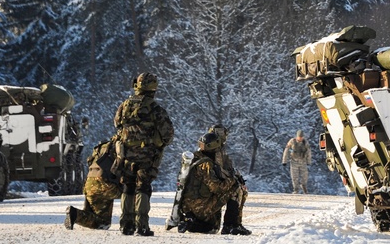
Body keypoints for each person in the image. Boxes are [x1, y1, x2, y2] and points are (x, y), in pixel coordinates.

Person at [113, 71, 175, 236]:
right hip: (147, 155)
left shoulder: (124, 105)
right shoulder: (155, 109)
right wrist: (157, 143)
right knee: (143, 188)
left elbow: (117, 125)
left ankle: (126, 225)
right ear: (153, 88)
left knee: (127, 186)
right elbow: (168, 133)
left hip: (126, 154)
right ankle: (142, 226)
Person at [177, 131, 251, 235]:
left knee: (212, 228)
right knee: (237, 188)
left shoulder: (194, 158)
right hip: (200, 207)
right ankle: (231, 225)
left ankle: (193, 222)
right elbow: (217, 188)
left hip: (189, 207)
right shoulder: (205, 164)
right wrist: (233, 179)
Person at [64, 137, 122, 230]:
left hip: (89, 185)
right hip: (105, 185)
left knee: (99, 221)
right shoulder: (120, 146)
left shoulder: (101, 147)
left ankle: (75, 214)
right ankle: (133, 223)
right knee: (132, 191)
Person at [281, 129, 311, 194]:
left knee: (305, 176)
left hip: (303, 161)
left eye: (301, 137)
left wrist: (309, 161)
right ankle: (296, 189)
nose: (300, 138)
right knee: (294, 177)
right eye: (299, 137)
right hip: (294, 161)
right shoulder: (292, 141)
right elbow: (286, 151)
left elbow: (308, 152)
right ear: (297, 136)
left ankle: (304, 186)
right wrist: (284, 161)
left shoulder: (305, 143)